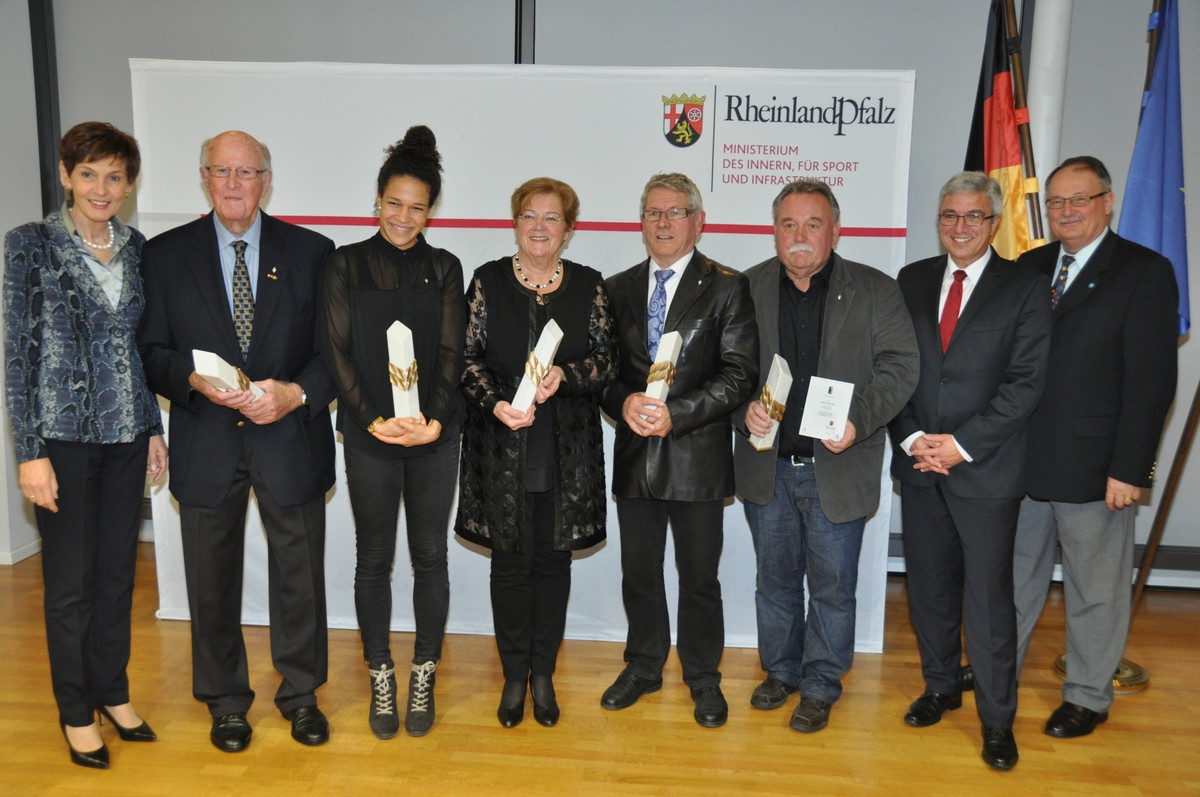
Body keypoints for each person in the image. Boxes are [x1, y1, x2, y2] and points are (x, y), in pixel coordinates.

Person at [137, 131, 336, 753]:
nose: (232, 184)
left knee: (300, 578)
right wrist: (190, 380)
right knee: (211, 581)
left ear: (266, 181)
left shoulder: (312, 252)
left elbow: (336, 355)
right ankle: (225, 702)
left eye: (245, 172)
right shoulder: (165, 255)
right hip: (207, 439)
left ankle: (301, 695)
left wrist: (296, 394)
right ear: (203, 177)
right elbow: (149, 352)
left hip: (291, 439)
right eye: (220, 171)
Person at [3, 121, 167, 769]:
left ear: (129, 185)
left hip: (127, 433)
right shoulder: (30, 246)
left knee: (116, 576)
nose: (103, 188)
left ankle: (114, 691)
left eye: (115, 176)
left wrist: (153, 430)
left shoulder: (136, 246)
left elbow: (140, 350)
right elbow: (19, 354)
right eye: (89, 173)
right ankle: (75, 709)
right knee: (69, 583)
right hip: (62, 439)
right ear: (67, 175)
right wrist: (28, 450)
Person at [734, 179, 918, 734]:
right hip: (769, 467)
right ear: (774, 231)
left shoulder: (876, 290)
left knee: (833, 586)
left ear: (835, 231)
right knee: (776, 581)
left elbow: (900, 367)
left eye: (813, 225)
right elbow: (728, 368)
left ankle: (820, 684)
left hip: (838, 467)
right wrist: (744, 407)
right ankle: (782, 672)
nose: (799, 236)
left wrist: (859, 419)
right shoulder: (745, 288)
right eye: (788, 224)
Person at [889, 172, 1051, 770]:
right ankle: (938, 687)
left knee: (987, 600)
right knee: (928, 588)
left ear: (994, 221)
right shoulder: (912, 281)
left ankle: (997, 720)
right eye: (949, 216)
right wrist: (909, 437)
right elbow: (895, 367)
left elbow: (1026, 383)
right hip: (918, 463)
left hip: (985, 470)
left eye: (973, 216)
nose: (960, 227)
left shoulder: (1025, 286)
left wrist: (958, 445)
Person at [1013, 156, 1178, 739]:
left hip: (1096, 470)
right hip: (1020, 463)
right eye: (1057, 202)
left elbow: (1152, 382)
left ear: (1107, 202)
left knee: (1094, 590)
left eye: (1080, 199)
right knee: (1011, 582)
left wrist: (1131, 469)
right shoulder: (1029, 267)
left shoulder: (1144, 271)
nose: (1066, 211)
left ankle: (1087, 695)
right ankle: (996, 675)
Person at [318, 126, 464, 739]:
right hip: (369, 435)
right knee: (374, 558)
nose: (405, 217)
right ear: (376, 202)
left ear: (431, 209)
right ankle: (382, 673)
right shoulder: (344, 264)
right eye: (394, 204)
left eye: (418, 206)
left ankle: (424, 669)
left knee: (430, 557)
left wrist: (430, 421)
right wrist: (374, 421)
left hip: (435, 437)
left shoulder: (445, 266)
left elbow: (454, 352)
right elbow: (336, 352)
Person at [600, 172, 758, 729]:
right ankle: (643, 667)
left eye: (674, 212)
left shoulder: (726, 286)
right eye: (652, 213)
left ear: (698, 221)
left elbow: (739, 375)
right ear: (640, 222)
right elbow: (604, 374)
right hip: (634, 458)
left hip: (696, 458)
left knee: (699, 580)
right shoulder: (614, 288)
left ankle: (703, 678)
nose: (662, 223)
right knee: (638, 574)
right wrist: (622, 403)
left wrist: (678, 414)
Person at [457, 177, 616, 729]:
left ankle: (543, 675)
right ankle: (512, 676)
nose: (540, 227)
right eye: (530, 215)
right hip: (501, 448)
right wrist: (497, 403)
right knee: (509, 566)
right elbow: (464, 359)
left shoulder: (589, 286)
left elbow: (605, 362)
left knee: (552, 564)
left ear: (568, 230)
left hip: (564, 451)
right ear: (516, 222)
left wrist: (564, 376)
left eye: (552, 218)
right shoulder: (487, 282)